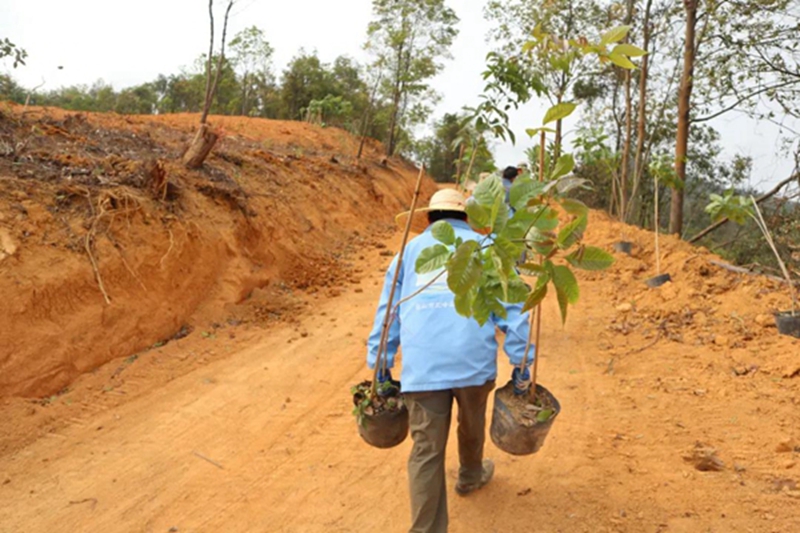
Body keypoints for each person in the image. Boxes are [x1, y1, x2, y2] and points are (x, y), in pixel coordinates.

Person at [366, 189, 534, 533]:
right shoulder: (487, 249)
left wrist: (380, 363)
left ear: (429, 219)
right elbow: (513, 310)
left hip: (423, 368)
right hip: (473, 363)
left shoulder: (408, 251)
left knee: (426, 450)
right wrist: (522, 362)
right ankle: (471, 475)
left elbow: (388, 313)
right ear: (467, 218)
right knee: (471, 424)